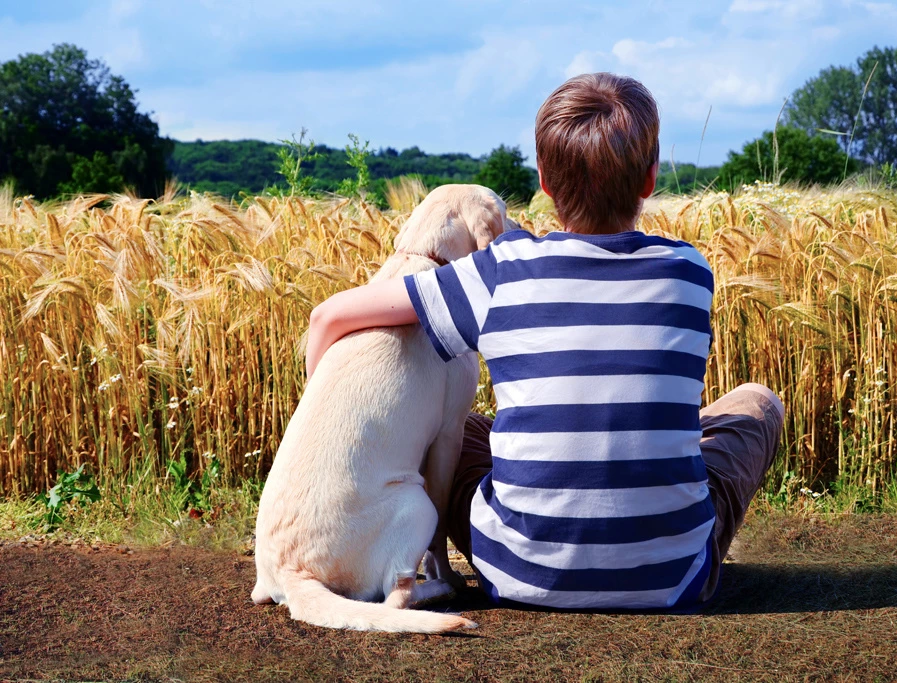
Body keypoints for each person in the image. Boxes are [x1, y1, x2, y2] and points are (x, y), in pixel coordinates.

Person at [305, 72, 784, 611]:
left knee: (454, 425)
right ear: (649, 179)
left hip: (516, 571)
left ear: (544, 182)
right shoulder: (690, 271)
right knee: (757, 403)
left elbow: (329, 319)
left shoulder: (502, 270)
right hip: (673, 576)